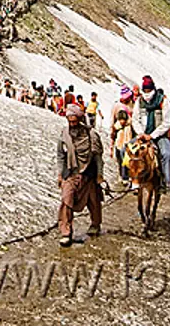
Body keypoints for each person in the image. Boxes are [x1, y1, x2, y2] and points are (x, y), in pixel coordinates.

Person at [57, 104, 103, 247]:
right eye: (70, 122)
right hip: (70, 173)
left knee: (93, 201)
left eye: (75, 121)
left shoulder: (91, 135)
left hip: (88, 174)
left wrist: (99, 174)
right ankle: (66, 232)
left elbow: (98, 157)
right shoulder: (64, 135)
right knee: (67, 200)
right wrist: (60, 173)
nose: (72, 125)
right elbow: (61, 155)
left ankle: (95, 224)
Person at [132, 75, 170, 184]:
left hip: (159, 136)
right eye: (145, 90)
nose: (146, 93)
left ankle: (166, 181)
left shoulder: (163, 101)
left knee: (166, 154)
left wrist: (152, 135)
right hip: (142, 135)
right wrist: (141, 133)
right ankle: (128, 178)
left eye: (149, 90)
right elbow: (135, 119)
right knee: (125, 150)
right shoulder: (139, 101)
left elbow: (167, 122)